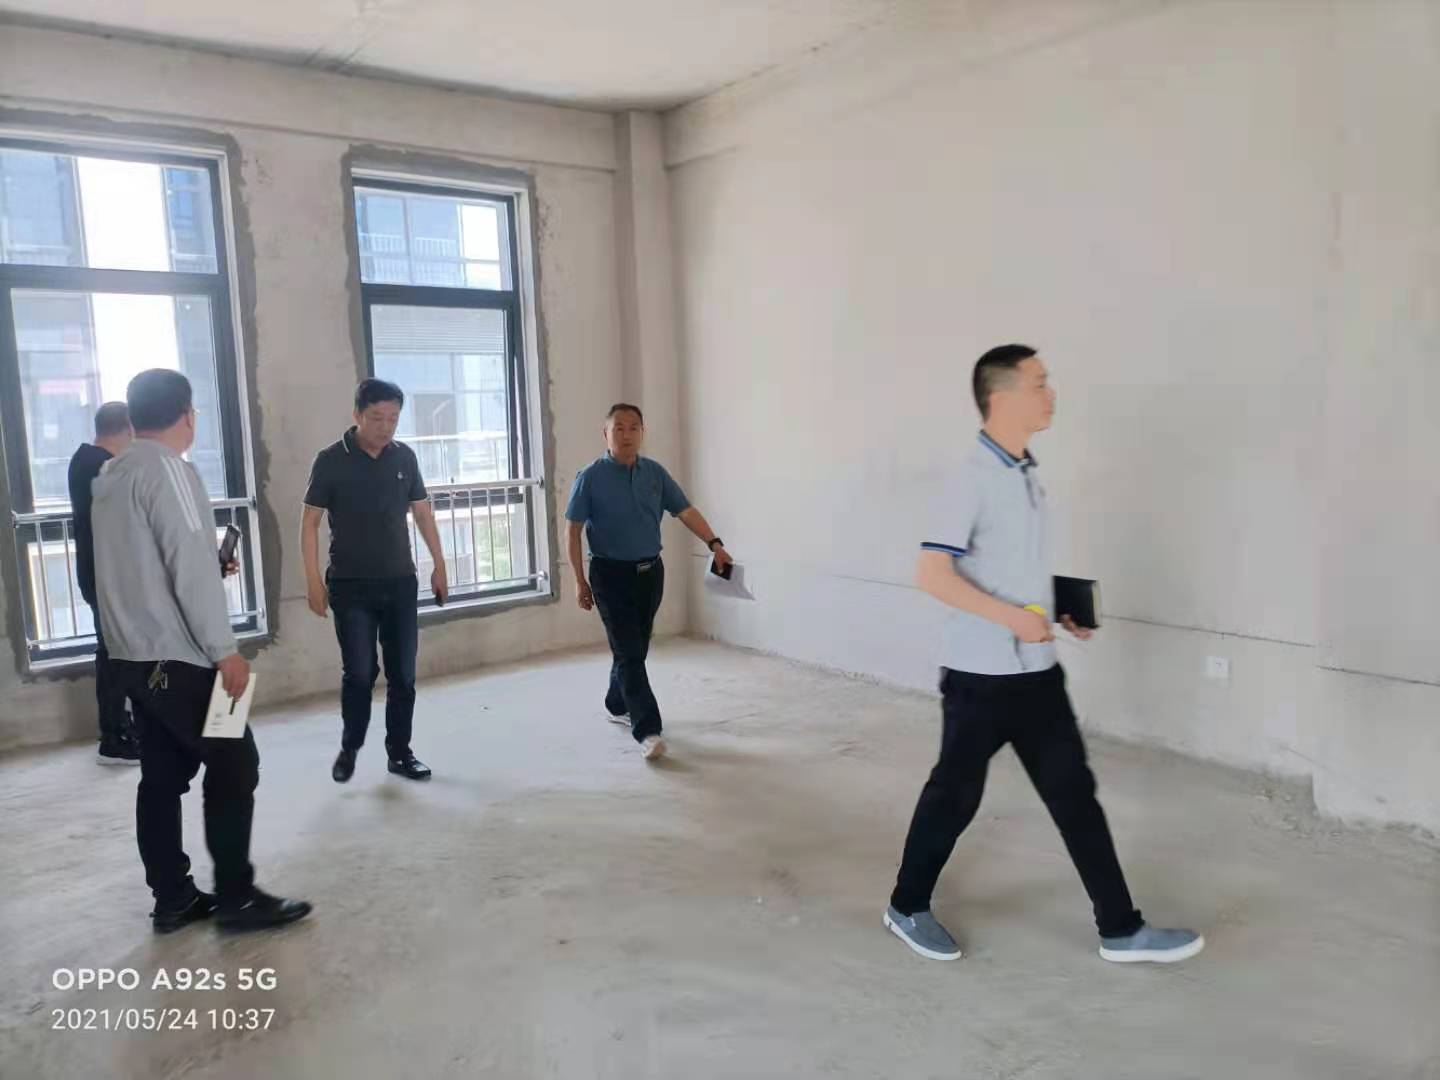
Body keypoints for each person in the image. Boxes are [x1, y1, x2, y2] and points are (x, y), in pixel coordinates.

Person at [883, 345, 1203, 964]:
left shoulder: (1025, 474)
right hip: (981, 677)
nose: (1051, 392)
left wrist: (1057, 606)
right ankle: (906, 904)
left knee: (1075, 795)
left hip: (1037, 675)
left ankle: (1121, 928)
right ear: (1001, 397)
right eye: (1039, 383)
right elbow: (931, 574)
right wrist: (1013, 618)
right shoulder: (970, 479)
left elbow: (1009, 568)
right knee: (954, 796)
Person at [92, 368, 312, 933]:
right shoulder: (172, 470)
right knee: (238, 763)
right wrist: (225, 650)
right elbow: (189, 571)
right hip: (184, 656)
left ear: (135, 417)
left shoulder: (113, 473)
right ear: (188, 416)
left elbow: (148, 566)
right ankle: (238, 898)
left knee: (162, 776)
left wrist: (208, 566)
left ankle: (173, 897)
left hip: (133, 656)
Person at [565, 403, 733, 761]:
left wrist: (715, 544)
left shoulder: (654, 473)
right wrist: (580, 580)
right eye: (619, 428)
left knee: (634, 649)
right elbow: (573, 530)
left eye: (633, 428)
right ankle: (648, 730)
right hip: (609, 575)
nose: (626, 435)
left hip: (650, 574)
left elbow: (685, 510)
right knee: (629, 652)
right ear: (605, 433)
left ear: (642, 432)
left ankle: (616, 702)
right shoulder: (590, 477)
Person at [301, 378, 447, 784]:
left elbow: (422, 513)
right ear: (357, 415)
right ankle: (350, 747)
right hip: (351, 586)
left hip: (399, 582)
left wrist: (439, 564)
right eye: (377, 417)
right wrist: (313, 582)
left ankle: (400, 753)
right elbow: (309, 523)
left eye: (393, 419)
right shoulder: (331, 460)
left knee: (403, 675)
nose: (386, 427)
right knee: (360, 673)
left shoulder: (404, 457)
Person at [68, 401, 138, 764]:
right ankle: (114, 737)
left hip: (98, 573)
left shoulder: (83, 460)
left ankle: (120, 727)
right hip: (109, 577)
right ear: (128, 428)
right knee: (115, 655)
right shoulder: (104, 466)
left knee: (113, 652)